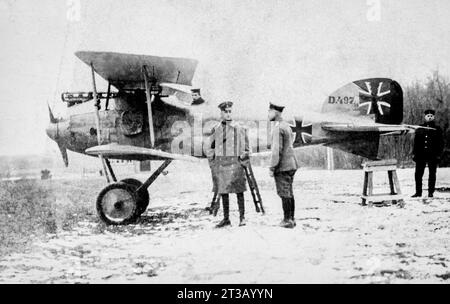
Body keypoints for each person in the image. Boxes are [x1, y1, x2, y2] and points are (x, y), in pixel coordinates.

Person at [207, 101, 249, 227]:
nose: (228, 114)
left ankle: (242, 218)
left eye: (230, 111)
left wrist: (243, 162)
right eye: (226, 112)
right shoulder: (216, 129)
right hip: (221, 164)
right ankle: (226, 219)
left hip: (235, 164)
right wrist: (212, 163)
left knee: (239, 191)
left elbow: (246, 147)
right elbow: (210, 148)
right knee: (223, 191)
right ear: (221, 113)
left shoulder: (239, 128)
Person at [268, 102, 300, 228]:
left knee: (284, 192)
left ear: (275, 112)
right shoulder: (286, 126)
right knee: (289, 192)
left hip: (283, 166)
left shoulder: (278, 128)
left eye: (269, 111)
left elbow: (276, 151)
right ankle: (291, 218)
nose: (268, 114)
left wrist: (272, 167)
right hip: (292, 164)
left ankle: (287, 220)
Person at [412, 109, 444, 198]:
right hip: (421, 155)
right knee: (418, 174)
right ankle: (418, 192)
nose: (429, 117)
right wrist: (414, 153)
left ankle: (431, 192)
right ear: (425, 117)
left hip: (432, 155)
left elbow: (441, 143)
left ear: (433, 117)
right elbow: (416, 142)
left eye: (431, 116)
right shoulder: (420, 128)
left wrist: (438, 155)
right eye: (428, 116)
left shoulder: (437, 129)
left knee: (432, 174)